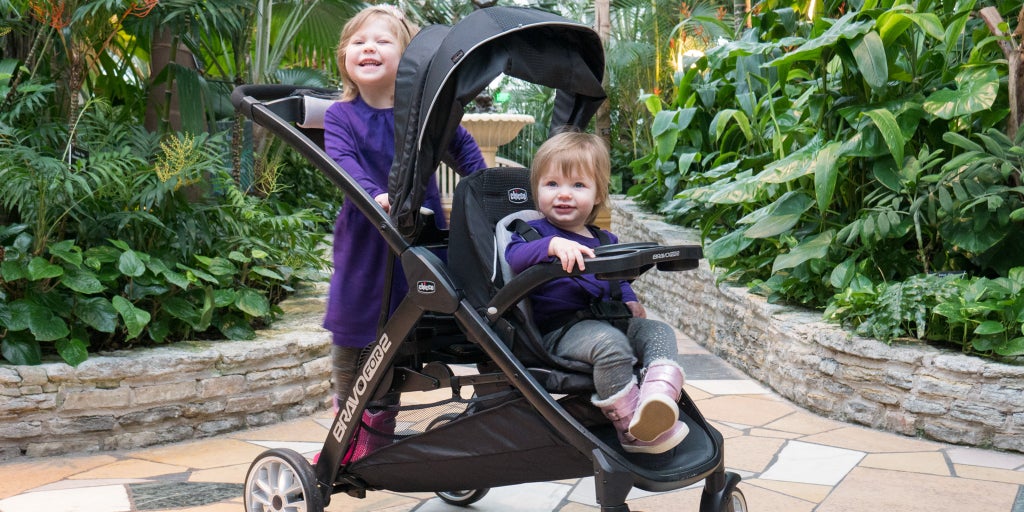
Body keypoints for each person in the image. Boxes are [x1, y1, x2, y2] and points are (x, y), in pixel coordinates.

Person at [321, 5, 486, 463]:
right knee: (353, 341)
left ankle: (377, 439)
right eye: (358, 42)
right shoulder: (340, 116)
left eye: (382, 41)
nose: (368, 48)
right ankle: (347, 432)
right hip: (365, 247)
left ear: (410, 61)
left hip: (418, 241)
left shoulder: (423, 117)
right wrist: (376, 194)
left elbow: (464, 149)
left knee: (401, 342)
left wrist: (484, 190)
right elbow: (343, 163)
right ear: (345, 57)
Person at [504, 131, 688, 454]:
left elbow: (619, 279)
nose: (564, 194)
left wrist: (629, 298)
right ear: (537, 190)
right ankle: (631, 430)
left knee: (659, 332)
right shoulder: (532, 233)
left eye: (578, 185)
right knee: (612, 347)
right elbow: (514, 258)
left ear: (598, 193)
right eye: (552, 184)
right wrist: (550, 246)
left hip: (610, 318)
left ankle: (655, 401)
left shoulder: (604, 240)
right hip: (563, 330)